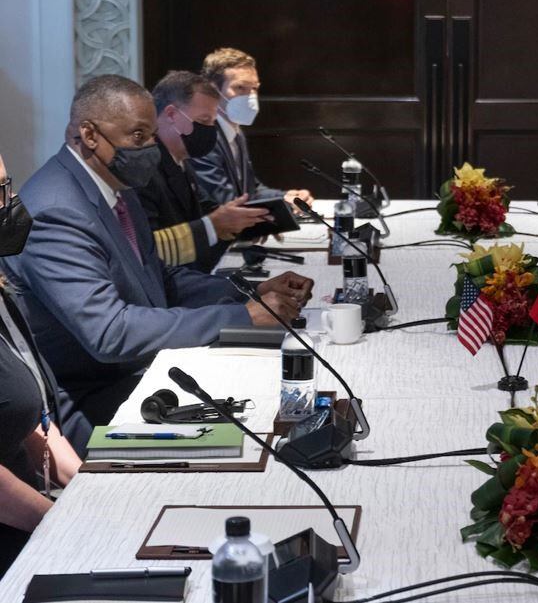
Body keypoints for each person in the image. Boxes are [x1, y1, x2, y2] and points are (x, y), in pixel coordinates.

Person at [0, 75, 314, 452]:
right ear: (90, 134)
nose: (151, 147)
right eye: (138, 136)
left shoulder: (114, 185)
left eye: (151, 135)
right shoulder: (56, 210)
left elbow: (160, 282)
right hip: (91, 404)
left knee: (274, 398)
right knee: (250, 439)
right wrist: (242, 316)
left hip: (140, 375)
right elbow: (111, 333)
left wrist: (250, 291)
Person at [0, 151, 82, 575]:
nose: (11, 202)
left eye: (6, 186)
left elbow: (18, 415)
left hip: (31, 517)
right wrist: (61, 524)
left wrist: (88, 490)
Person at [139, 70, 269, 272]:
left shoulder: (181, 159)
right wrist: (215, 225)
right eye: (203, 121)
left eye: (212, 122)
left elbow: (203, 208)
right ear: (171, 114)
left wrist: (244, 220)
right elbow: (148, 251)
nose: (210, 130)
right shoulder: (144, 169)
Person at [191, 47, 313, 207]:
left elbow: (251, 190)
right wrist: (281, 204)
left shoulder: (236, 133)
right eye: (240, 88)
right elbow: (224, 201)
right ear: (213, 90)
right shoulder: (202, 138)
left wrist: (287, 197)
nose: (250, 97)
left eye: (254, 88)